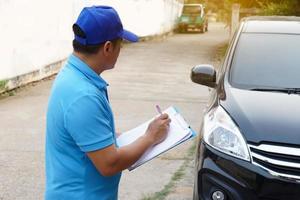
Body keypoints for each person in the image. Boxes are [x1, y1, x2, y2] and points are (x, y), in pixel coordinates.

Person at [45, 5, 171, 200]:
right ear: (107, 48)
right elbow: (108, 164)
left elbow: (86, 136)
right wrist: (150, 137)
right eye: (121, 44)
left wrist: (131, 135)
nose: (121, 50)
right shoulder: (83, 95)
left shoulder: (73, 75)